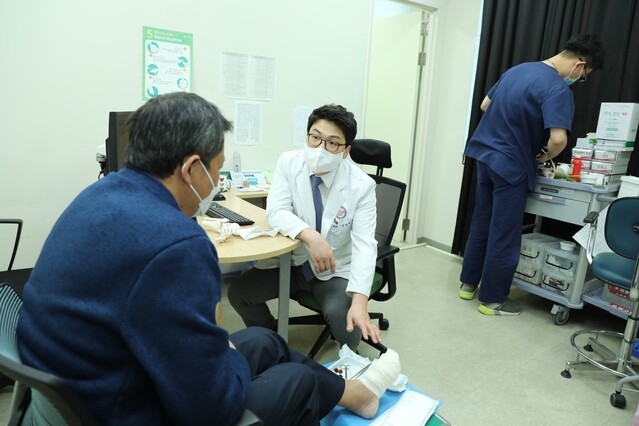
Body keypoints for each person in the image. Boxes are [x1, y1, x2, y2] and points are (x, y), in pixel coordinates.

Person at [16, 92, 401, 426]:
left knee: (265, 342)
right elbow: (210, 408)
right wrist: (220, 348)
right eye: (217, 170)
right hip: (126, 410)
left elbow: (366, 243)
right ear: (190, 169)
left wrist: (218, 345)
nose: (217, 183)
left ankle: (355, 393)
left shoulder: (96, 196)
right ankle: (351, 394)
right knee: (294, 381)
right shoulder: (179, 244)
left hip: (88, 388)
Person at [458, 34, 604, 316]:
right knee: (505, 232)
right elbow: (559, 139)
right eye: (584, 75)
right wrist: (544, 156)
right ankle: (492, 301)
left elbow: (485, 106)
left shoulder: (518, 70)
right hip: (511, 163)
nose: (580, 79)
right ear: (580, 64)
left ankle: (467, 285)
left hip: (482, 155)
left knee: (482, 223)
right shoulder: (557, 89)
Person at [228, 104, 380, 352]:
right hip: (292, 261)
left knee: (346, 317)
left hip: (334, 269)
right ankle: (269, 341)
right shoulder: (289, 162)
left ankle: (349, 362)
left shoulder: (362, 186)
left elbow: (365, 245)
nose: (320, 148)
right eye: (315, 137)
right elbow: (276, 211)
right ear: (307, 135)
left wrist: (360, 301)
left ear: (345, 151)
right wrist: (313, 238)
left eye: (332, 143)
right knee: (239, 294)